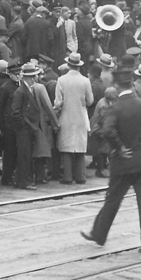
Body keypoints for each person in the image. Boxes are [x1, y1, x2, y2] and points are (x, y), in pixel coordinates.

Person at [81, 64, 141, 254]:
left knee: (113, 199)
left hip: (122, 163)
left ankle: (99, 234)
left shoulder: (115, 108)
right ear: (132, 83)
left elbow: (107, 130)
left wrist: (120, 147)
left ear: (116, 86)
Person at [11, 63, 58, 189]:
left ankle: (24, 180)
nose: (33, 79)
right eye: (30, 76)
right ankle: (23, 181)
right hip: (25, 129)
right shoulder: (21, 92)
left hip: (30, 127)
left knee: (27, 155)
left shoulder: (27, 89)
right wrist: (25, 125)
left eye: (34, 76)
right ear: (24, 77)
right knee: (24, 156)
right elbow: (16, 113)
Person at [54, 53, 94, 184]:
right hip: (81, 116)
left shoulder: (61, 80)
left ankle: (67, 176)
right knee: (80, 147)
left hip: (66, 116)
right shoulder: (85, 81)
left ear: (68, 65)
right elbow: (90, 101)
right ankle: (81, 176)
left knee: (66, 147)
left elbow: (58, 102)